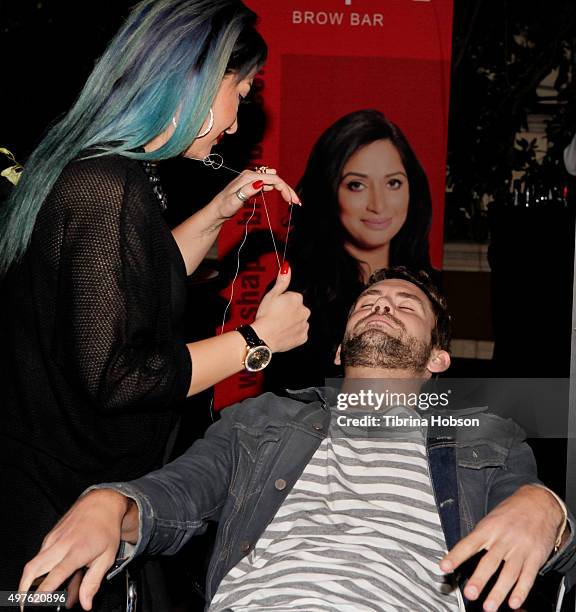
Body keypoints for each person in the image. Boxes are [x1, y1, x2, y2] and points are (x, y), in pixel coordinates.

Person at [20, 268, 576, 611]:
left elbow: (543, 537)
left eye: (406, 306)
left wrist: (546, 505)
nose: (383, 305)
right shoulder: (262, 418)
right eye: (370, 302)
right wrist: (114, 502)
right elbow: (176, 496)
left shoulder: (484, 435)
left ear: (438, 358)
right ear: (338, 352)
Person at [0, 0, 311, 600]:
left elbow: (124, 281)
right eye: (240, 92)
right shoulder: (106, 183)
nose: (238, 120)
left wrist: (218, 212)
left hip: (61, 496)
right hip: (55, 511)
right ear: (195, 78)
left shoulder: (99, 169)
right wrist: (256, 342)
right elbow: (118, 376)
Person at [264, 109, 435, 393]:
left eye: (393, 183)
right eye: (356, 185)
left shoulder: (428, 287)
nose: (378, 205)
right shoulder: (297, 297)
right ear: (329, 191)